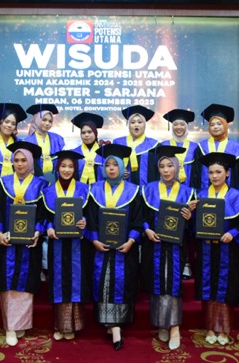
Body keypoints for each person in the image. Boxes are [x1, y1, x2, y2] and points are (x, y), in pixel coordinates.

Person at [85, 143, 143, 351]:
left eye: (115, 165)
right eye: (108, 165)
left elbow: (138, 220)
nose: (111, 168)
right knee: (102, 282)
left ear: (122, 167)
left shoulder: (133, 191)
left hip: (124, 249)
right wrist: (94, 239)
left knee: (121, 283)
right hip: (100, 248)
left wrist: (131, 241)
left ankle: (116, 326)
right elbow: (90, 219)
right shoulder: (94, 190)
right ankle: (110, 325)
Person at [0, 141, 47, 346]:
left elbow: (44, 213)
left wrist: (38, 231)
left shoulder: (41, 185)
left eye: (24, 160)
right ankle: (10, 327)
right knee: (8, 281)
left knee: (26, 283)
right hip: (7, 242)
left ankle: (21, 323)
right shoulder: (3, 182)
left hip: (29, 243)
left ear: (30, 162)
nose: (20, 164)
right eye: (16, 160)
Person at [141, 145, 194, 350]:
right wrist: (146, 230)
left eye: (170, 166)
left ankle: (174, 327)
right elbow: (143, 216)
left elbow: (192, 228)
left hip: (176, 247)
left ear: (177, 167)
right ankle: (161, 323)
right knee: (157, 283)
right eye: (162, 166)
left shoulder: (188, 192)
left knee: (172, 284)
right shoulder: (149, 189)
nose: (166, 170)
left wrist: (189, 218)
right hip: (154, 244)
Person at [192, 152, 239, 346]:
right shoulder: (201, 195)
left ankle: (223, 328)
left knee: (225, 287)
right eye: (211, 172)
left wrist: (232, 233)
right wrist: (191, 213)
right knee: (208, 286)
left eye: (218, 172)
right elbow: (194, 225)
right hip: (206, 248)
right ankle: (209, 327)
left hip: (227, 248)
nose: (214, 176)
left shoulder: (236, 196)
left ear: (227, 173)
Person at [42, 150, 92, 341]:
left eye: (71, 166)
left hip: (77, 245)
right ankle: (60, 326)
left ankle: (74, 326)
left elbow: (90, 214)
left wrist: (85, 221)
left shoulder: (84, 190)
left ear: (75, 169)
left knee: (75, 280)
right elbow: (44, 217)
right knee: (59, 281)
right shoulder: (48, 191)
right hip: (57, 243)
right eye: (63, 166)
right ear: (57, 167)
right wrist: (48, 227)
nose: (66, 170)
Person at [162, 108, 197, 280]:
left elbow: (197, 173)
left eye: (182, 124)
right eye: (175, 124)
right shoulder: (163, 146)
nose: (178, 127)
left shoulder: (195, 148)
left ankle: (187, 263)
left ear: (187, 126)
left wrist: (195, 195)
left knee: (187, 229)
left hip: (187, 193)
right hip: (168, 192)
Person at [191, 104, 239, 193]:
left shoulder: (237, 149)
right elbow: (195, 175)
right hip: (205, 195)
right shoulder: (201, 147)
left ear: (225, 125)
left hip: (230, 197)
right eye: (212, 124)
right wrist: (195, 194)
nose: (215, 127)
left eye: (219, 124)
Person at [0, 102, 27, 190]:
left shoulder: (21, 145)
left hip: (17, 191)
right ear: (0, 122)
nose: (9, 125)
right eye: (7, 122)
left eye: (13, 124)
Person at [113, 105, 159, 186]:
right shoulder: (118, 143)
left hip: (146, 189)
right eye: (133, 122)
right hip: (123, 189)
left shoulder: (154, 145)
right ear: (128, 125)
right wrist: (118, 172)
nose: (136, 125)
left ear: (144, 125)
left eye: (140, 122)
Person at [24, 104, 65, 183]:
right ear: (37, 119)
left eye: (50, 121)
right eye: (44, 120)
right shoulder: (28, 141)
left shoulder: (57, 139)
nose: (47, 123)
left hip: (55, 180)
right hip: (35, 181)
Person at [70, 112, 106, 184]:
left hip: (100, 189)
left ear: (95, 133)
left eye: (89, 132)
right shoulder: (74, 153)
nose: (86, 135)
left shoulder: (104, 152)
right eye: (83, 133)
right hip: (79, 189)